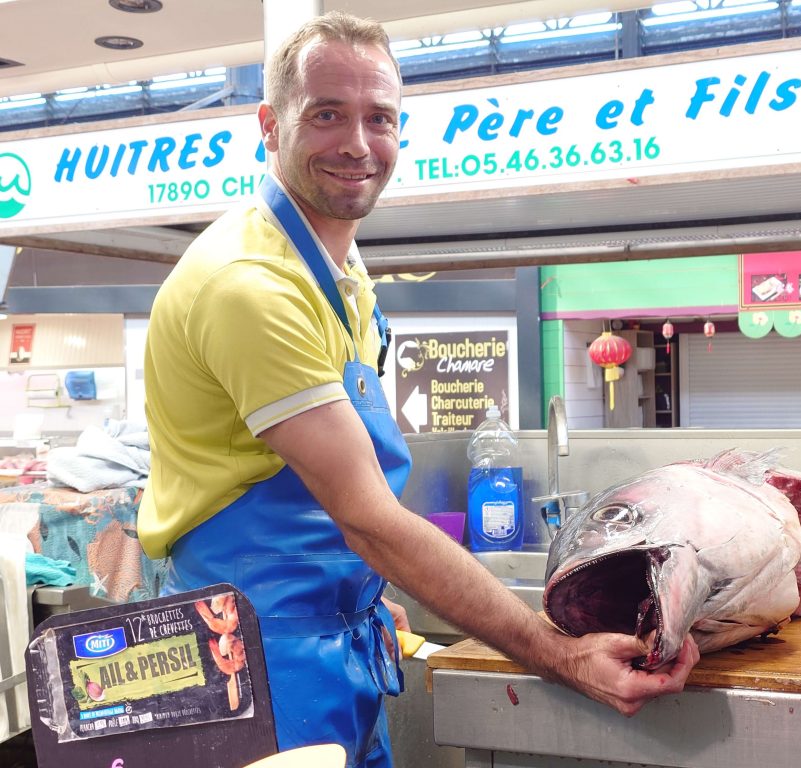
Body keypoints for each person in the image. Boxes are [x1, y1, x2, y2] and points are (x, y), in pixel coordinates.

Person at [138, 11, 700, 767]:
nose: (357, 144)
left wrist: (360, 592)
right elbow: (368, 519)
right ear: (269, 126)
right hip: (250, 667)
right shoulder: (250, 287)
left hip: (330, 643)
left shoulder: (338, 273)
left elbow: (332, 499)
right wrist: (559, 653)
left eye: (380, 118)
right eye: (326, 114)